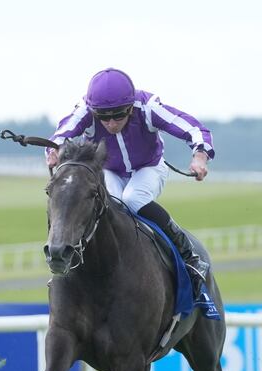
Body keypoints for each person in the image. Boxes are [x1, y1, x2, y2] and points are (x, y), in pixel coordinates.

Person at [45, 67, 213, 295]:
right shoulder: (86, 110)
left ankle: (187, 253)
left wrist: (200, 156)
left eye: (118, 115)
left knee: (132, 199)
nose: (111, 123)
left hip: (149, 168)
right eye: (103, 117)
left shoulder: (148, 107)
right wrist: (54, 149)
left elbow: (192, 128)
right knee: (110, 204)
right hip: (110, 171)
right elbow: (62, 133)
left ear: (130, 107)